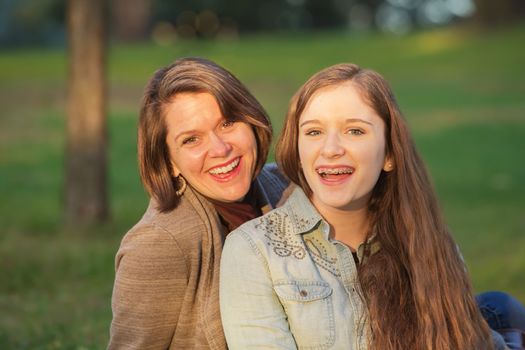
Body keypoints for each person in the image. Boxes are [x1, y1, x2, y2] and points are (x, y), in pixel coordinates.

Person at [220, 63, 520, 349]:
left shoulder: (432, 243)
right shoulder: (254, 250)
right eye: (313, 132)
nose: (331, 149)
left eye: (355, 131)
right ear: (298, 152)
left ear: (389, 153)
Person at [108, 57, 289, 349]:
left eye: (228, 123)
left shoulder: (284, 187)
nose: (220, 149)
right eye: (192, 140)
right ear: (169, 162)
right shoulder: (158, 244)